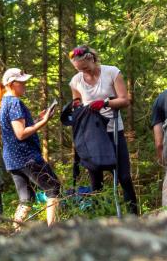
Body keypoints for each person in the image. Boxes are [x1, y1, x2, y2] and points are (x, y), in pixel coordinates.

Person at [68, 45, 139, 214]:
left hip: (113, 129)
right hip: (92, 133)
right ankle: (100, 216)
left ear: (91, 59)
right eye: (79, 70)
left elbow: (124, 100)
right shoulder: (76, 81)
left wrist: (106, 103)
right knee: (95, 178)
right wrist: (76, 106)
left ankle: (133, 215)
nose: (83, 72)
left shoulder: (112, 72)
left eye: (85, 68)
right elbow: (76, 102)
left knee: (124, 176)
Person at [0, 68, 62, 227]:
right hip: (26, 157)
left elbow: (15, 130)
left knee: (27, 198)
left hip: (12, 159)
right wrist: (43, 121)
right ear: (12, 84)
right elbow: (20, 134)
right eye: (22, 82)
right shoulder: (15, 103)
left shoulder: (5, 101)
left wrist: (36, 120)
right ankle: (54, 231)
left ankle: (14, 231)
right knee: (53, 187)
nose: (25, 84)